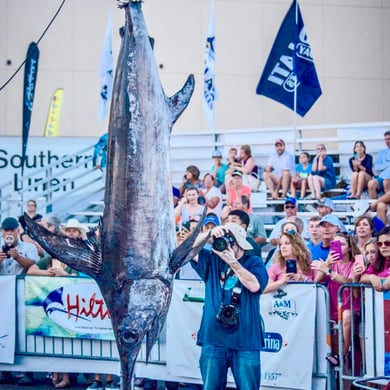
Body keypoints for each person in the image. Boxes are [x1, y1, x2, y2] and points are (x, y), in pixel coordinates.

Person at [190, 222, 268, 389]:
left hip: (245, 340)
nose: (224, 245)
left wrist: (233, 262)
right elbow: (185, 249)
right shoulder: (212, 260)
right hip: (213, 338)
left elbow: (254, 286)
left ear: (238, 243)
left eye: (228, 242)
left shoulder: (254, 262)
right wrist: (208, 234)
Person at [311, 232, 362, 369]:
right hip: (333, 307)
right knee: (334, 346)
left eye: (342, 244)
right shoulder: (331, 264)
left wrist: (329, 271)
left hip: (351, 306)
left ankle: (342, 354)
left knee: (346, 316)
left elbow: (349, 281)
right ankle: (340, 360)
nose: (337, 247)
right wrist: (327, 263)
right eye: (335, 244)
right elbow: (317, 280)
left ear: (350, 247)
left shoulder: (354, 263)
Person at [359, 226, 390, 291]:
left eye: (387, 243)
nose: (383, 246)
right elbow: (363, 277)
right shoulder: (380, 260)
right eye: (380, 244)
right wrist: (371, 277)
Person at [367, 130, 390, 199]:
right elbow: (377, 167)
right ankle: (375, 207)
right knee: (371, 184)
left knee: (386, 182)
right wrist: (388, 164)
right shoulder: (382, 152)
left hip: (388, 179)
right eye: (386, 139)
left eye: (389, 139)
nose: (387, 141)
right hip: (382, 176)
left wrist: (384, 165)